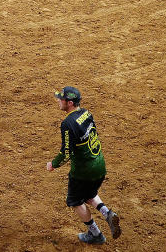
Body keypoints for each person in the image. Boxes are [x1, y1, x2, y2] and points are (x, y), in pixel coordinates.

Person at [46, 86, 121, 245]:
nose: (59, 100)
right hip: (99, 165)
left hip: (83, 172)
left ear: (70, 103)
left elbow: (66, 153)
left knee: (75, 200)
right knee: (88, 193)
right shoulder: (87, 113)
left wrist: (53, 164)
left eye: (62, 99)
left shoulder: (67, 123)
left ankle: (95, 234)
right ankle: (107, 213)